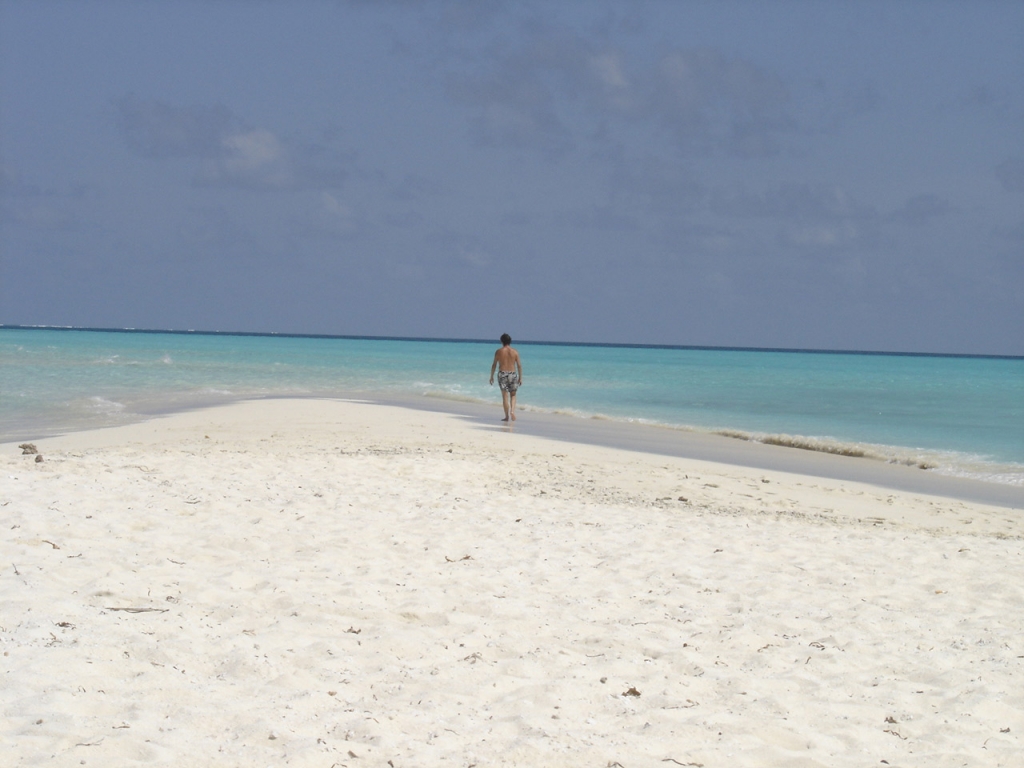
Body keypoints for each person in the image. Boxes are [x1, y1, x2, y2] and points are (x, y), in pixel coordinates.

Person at [489, 333, 523, 422]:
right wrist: (520, 377)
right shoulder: (515, 352)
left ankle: (506, 416)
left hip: (502, 374)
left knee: (505, 396)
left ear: (501, 341)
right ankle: (512, 411)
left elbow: (494, 365)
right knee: (513, 395)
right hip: (512, 374)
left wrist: (491, 376)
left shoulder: (499, 351)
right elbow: (519, 365)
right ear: (510, 341)